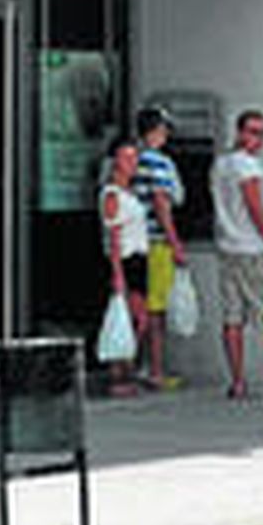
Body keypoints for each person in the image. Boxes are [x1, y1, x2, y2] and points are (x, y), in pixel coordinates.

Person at [211, 108, 263, 399]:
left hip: (227, 247)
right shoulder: (247, 165)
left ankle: (238, 381)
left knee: (233, 318)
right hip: (251, 249)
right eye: (253, 132)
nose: (259, 139)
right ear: (240, 132)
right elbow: (254, 207)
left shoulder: (221, 164)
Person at [132, 108, 187, 391]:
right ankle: (155, 371)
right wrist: (175, 242)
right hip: (156, 242)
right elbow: (161, 204)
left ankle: (135, 368)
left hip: (137, 242)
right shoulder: (157, 162)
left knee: (140, 307)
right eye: (165, 129)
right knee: (156, 310)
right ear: (156, 131)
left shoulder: (132, 159)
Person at [100, 138, 150, 397]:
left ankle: (127, 369)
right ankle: (118, 374)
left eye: (134, 158)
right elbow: (113, 236)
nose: (131, 163)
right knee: (130, 319)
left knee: (137, 319)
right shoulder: (112, 194)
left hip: (139, 258)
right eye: (126, 158)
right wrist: (117, 272)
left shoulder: (130, 193)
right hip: (125, 259)